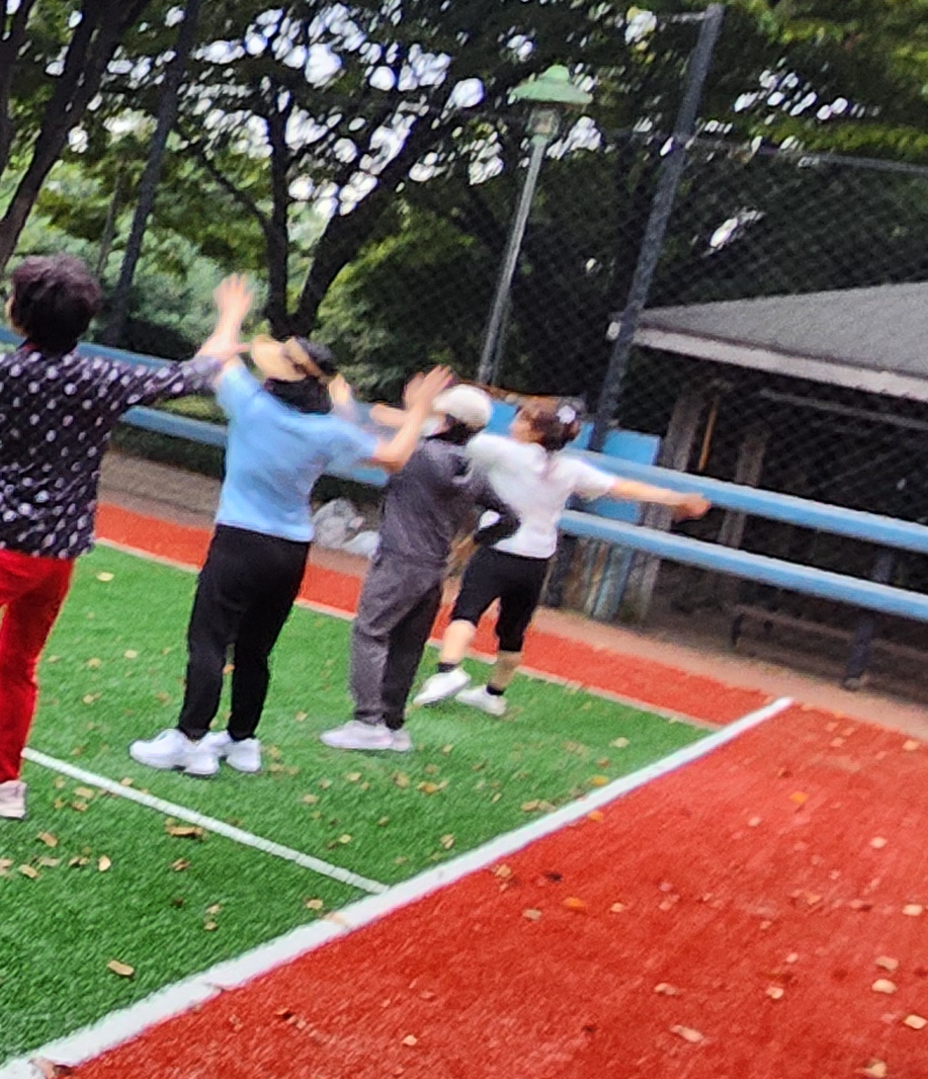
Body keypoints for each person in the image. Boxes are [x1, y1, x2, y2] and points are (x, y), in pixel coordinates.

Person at [0, 263, 251, 825]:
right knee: (18, 663)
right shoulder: (102, 376)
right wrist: (230, 318)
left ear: (20, 314)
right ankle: (1, 779)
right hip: (57, 553)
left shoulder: (2, 371)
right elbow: (196, 372)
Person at [130, 334, 447, 781]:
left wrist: (230, 317)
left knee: (209, 642)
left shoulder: (252, 405)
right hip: (291, 550)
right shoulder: (327, 430)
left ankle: (190, 740)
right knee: (256, 650)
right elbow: (394, 456)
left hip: (239, 540)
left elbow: (211, 357)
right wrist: (417, 411)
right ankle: (242, 740)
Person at [411, 394, 707, 717]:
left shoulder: (503, 451)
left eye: (520, 419)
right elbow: (622, 488)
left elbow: (440, 434)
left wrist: (409, 410)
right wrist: (677, 498)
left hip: (499, 549)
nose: (513, 424)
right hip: (537, 561)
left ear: (534, 431)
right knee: (513, 630)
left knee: (466, 612)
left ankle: (448, 670)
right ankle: (494, 693)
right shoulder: (571, 468)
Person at [323, 382, 500, 751]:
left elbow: (361, 446)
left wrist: (343, 404)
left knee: (371, 633)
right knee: (408, 645)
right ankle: (392, 724)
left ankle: (367, 721)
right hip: (434, 569)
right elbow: (510, 517)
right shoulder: (476, 470)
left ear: (446, 418)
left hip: (399, 560)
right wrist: (472, 543)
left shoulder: (419, 455)